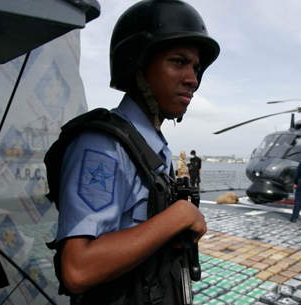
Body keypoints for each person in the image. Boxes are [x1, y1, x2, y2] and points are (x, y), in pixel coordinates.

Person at [54, 1, 220, 303]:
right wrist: (178, 217)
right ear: (138, 64)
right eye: (178, 61)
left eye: (195, 67)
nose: (192, 79)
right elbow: (77, 269)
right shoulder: (104, 145)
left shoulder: (153, 147)